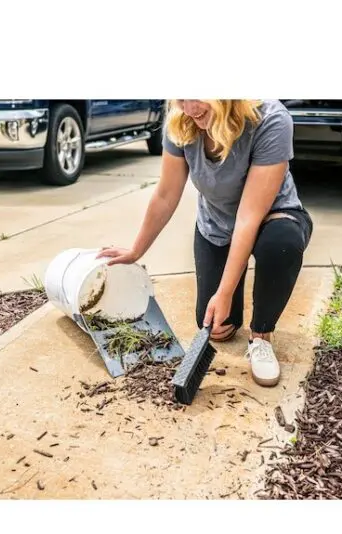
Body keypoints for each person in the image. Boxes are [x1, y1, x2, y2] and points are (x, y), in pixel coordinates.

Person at [97, 99, 313, 387]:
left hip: (272, 218)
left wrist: (224, 292)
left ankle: (261, 334)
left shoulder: (271, 119)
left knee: (280, 245)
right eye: (180, 97)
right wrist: (137, 249)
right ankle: (233, 303)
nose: (188, 108)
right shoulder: (181, 120)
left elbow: (249, 217)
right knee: (217, 328)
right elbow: (165, 194)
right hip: (217, 225)